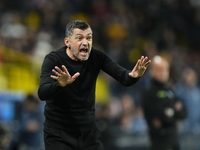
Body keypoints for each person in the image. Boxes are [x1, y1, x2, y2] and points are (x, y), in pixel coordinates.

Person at [38, 20, 151, 150]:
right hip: (59, 133)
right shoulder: (53, 59)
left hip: (87, 132)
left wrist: (134, 76)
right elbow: (42, 93)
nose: (85, 42)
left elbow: (123, 77)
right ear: (67, 42)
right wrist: (59, 85)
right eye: (79, 38)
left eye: (89, 38)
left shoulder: (97, 56)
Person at [141, 55, 187, 150]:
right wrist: (174, 111)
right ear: (152, 71)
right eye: (159, 69)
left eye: (165, 69)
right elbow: (161, 115)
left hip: (174, 140)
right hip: (159, 141)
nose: (163, 73)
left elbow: (183, 113)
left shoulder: (169, 89)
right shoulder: (149, 91)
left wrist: (170, 112)